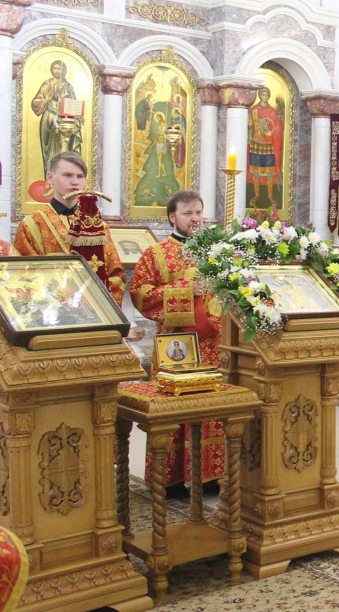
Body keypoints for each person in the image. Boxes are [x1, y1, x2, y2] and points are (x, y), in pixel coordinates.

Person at [131, 190, 226, 497]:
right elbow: (141, 295)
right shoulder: (156, 254)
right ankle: (170, 481)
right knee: (175, 408)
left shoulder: (216, 252)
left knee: (211, 407)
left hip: (212, 345)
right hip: (176, 346)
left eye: (199, 212)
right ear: (173, 217)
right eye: (188, 213)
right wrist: (185, 288)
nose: (195, 218)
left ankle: (211, 477)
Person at [13, 151, 125, 301]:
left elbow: (115, 273)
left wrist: (95, 301)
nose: (75, 182)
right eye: (67, 175)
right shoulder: (32, 225)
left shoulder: (98, 225)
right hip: (51, 310)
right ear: (50, 177)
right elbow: (24, 275)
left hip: (94, 310)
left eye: (80, 176)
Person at [30, 59, 76, 173]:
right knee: (48, 147)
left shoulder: (68, 86)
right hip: (49, 117)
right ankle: (49, 176)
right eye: (55, 68)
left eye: (59, 68)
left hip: (63, 120)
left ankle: (63, 174)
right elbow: (36, 102)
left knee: (63, 148)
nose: (57, 71)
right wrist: (47, 99)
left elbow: (73, 105)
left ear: (64, 70)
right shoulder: (47, 84)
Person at [248, 87, 284, 209]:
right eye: (262, 94)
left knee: (269, 172)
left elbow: (278, 127)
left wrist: (271, 133)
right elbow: (250, 126)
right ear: (259, 96)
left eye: (266, 94)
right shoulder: (254, 110)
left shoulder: (272, 111)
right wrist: (249, 125)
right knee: (256, 171)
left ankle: (270, 196)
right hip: (256, 144)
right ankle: (257, 195)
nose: (264, 97)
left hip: (268, 145)